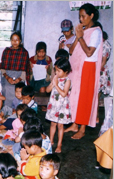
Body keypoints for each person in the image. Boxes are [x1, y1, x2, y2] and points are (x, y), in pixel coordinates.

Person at [65, 3, 103, 139]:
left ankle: (82, 128)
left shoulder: (96, 32)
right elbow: (70, 51)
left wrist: (80, 37)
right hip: (78, 68)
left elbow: (88, 52)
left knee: (85, 98)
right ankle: (75, 123)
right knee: (75, 96)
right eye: (79, 16)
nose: (81, 19)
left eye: (83, 16)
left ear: (91, 15)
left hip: (88, 67)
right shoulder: (84, 30)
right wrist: (77, 36)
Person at [46, 58, 72, 153]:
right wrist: (52, 84)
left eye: (59, 71)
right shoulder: (55, 78)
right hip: (53, 105)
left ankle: (59, 144)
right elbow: (47, 91)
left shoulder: (67, 81)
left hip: (62, 106)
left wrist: (56, 85)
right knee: (52, 124)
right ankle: (51, 141)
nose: (56, 73)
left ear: (66, 71)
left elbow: (64, 94)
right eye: (55, 70)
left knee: (60, 126)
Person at [0, 31, 31, 107]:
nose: (14, 42)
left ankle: (19, 108)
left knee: (19, 90)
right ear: (10, 41)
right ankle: (7, 109)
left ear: (20, 41)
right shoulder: (6, 51)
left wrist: (19, 79)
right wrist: (8, 78)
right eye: (13, 40)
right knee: (8, 87)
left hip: (20, 76)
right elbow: (2, 67)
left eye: (17, 40)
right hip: (7, 75)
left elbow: (25, 69)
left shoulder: (24, 52)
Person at [97, 31, 112, 124]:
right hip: (99, 71)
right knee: (96, 97)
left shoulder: (106, 45)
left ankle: (98, 118)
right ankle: (96, 117)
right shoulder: (100, 44)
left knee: (97, 96)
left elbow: (103, 62)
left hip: (101, 73)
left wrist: (96, 72)